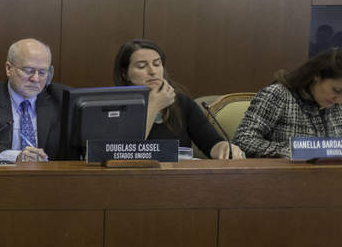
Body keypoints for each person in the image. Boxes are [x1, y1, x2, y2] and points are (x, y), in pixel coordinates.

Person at [112, 39, 243, 159]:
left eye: (157, 64)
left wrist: (223, 147)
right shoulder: (114, 106)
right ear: (125, 74)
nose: (152, 71)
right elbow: (123, 152)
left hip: (177, 174)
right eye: (142, 66)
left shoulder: (181, 103)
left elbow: (211, 143)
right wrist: (153, 106)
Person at [0, 38, 66, 162]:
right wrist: (16, 157)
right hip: (1, 173)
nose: (35, 79)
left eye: (42, 72)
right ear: (9, 68)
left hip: (51, 173)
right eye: (28, 71)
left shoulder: (63, 99)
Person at [233, 49, 342, 158]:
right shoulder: (279, 94)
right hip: (281, 168)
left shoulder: (337, 105)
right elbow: (243, 139)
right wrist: (293, 151)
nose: (339, 100)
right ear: (317, 76)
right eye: (336, 90)